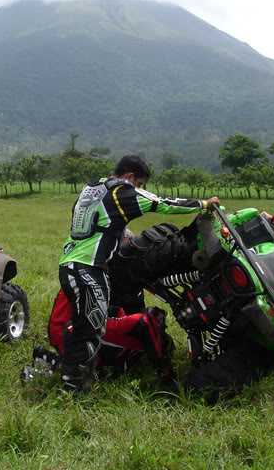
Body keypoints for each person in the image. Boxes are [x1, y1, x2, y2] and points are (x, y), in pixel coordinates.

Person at [49, 154, 218, 391]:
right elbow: (162, 203)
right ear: (130, 176)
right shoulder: (122, 191)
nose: (139, 189)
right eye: (139, 184)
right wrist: (203, 204)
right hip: (89, 267)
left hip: (70, 262)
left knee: (86, 324)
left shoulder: (93, 188)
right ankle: (72, 390)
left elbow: (97, 221)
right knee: (90, 329)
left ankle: (77, 379)